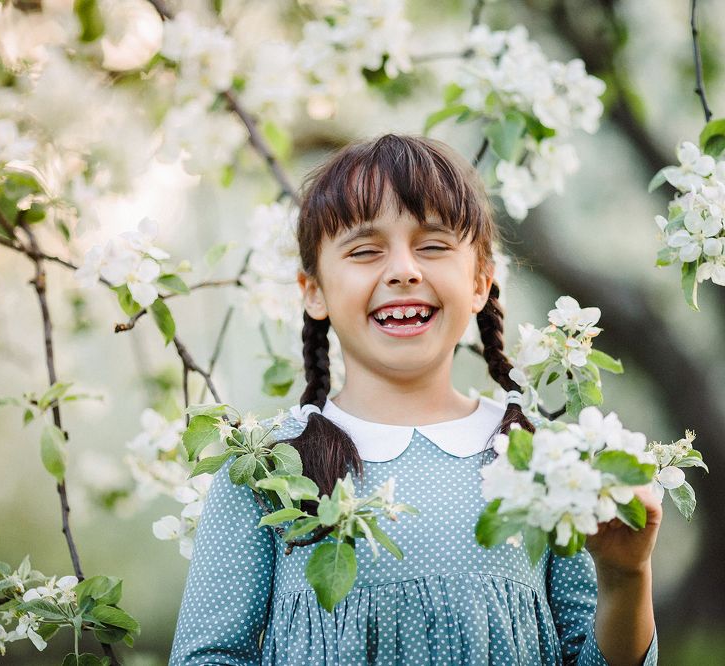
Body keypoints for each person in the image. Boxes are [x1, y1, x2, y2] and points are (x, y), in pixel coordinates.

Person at [168, 134, 660, 665]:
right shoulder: (267, 467)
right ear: (313, 290)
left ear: (479, 282)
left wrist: (626, 578)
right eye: (365, 250)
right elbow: (208, 657)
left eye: (433, 245)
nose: (404, 270)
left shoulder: (545, 461)